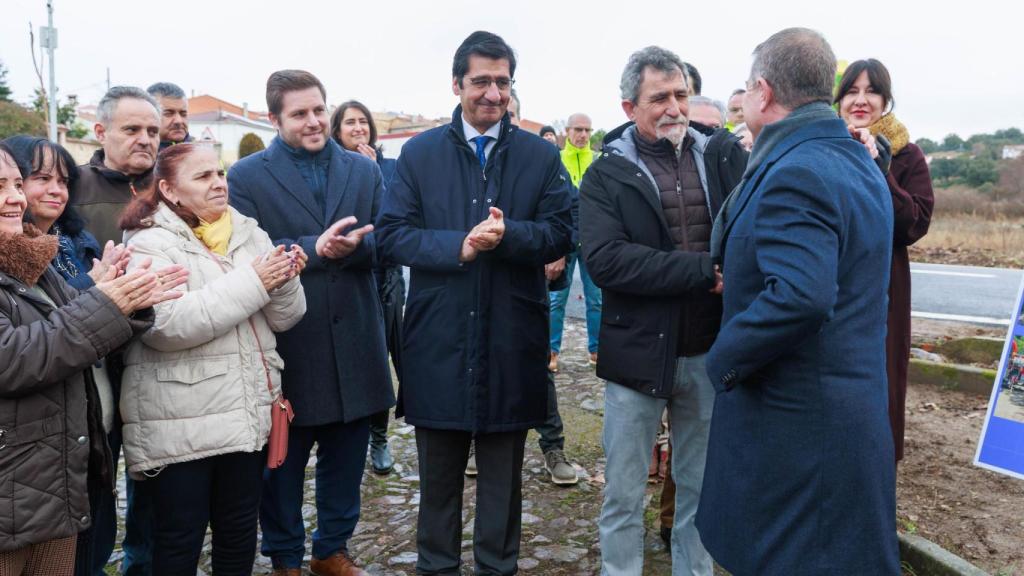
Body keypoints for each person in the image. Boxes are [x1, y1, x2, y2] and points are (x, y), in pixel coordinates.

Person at [698, 28, 900, 575]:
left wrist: (723, 359)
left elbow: (802, 296)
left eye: (746, 89)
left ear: (763, 91)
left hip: (797, 435)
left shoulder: (798, 171)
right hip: (841, 424)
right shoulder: (854, 159)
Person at [375, 30, 573, 575]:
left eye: (502, 82)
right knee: (438, 486)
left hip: (512, 340)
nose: (493, 93)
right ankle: (436, 567)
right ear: (457, 83)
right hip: (439, 340)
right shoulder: (418, 153)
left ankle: (497, 567)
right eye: (481, 81)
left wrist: (510, 237)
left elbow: (562, 231)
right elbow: (392, 236)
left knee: (503, 487)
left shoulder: (539, 154)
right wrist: (456, 246)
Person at [579, 45, 745, 576]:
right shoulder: (606, 174)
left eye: (681, 94)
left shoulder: (721, 155)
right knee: (625, 494)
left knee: (700, 491)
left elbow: (748, 228)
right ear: (630, 107)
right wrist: (703, 271)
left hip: (707, 351)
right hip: (636, 357)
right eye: (660, 98)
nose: (674, 107)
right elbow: (607, 261)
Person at [229, 69, 394, 576]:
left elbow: (387, 240)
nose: (314, 121)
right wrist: (313, 250)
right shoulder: (248, 176)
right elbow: (246, 254)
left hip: (357, 338)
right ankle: (285, 558)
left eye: (319, 109)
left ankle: (331, 550)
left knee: (346, 457)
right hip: (290, 341)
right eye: (299, 113)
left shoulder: (364, 171)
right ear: (274, 118)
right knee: (282, 461)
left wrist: (357, 246)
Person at [119, 143, 306, 574]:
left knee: (239, 533)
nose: (218, 183)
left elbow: (286, 319)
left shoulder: (249, 232)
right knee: (179, 539)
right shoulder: (149, 243)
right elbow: (166, 326)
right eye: (203, 176)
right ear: (169, 190)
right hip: (181, 420)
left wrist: (284, 281)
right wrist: (255, 280)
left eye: (219, 173)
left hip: (244, 412)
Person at [0, 143, 180, 576]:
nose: (15, 198)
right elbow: (14, 358)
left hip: (53, 477)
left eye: (16, 184)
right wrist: (107, 304)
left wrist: (130, 302)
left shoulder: (31, 255)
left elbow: (73, 325)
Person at [71, 85, 163, 576]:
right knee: (97, 484)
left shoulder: (170, 186)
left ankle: (141, 564)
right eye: (132, 129)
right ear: (101, 131)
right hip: (95, 368)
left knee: (152, 481)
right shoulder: (72, 191)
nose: (145, 139)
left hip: (158, 362)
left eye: (153, 129)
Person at [836, 58, 934, 464]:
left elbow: (913, 223)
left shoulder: (907, 155)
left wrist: (880, 168)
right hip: (830, 285)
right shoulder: (822, 146)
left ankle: (875, 487)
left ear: (885, 100)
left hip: (883, 289)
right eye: (852, 91)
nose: (861, 100)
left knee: (881, 386)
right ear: (837, 99)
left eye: (871, 91)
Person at [504, 93, 580, 487]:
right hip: (477, 292)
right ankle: (473, 444)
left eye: (512, 113)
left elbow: (567, 215)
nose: (505, 118)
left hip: (528, 287)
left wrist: (559, 254)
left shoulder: (540, 158)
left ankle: (553, 447)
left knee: (537, 370)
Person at [329, 99, 404, 476]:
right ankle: (348, 436)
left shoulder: (388, 165)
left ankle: (379, 436)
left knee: (382, 358)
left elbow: (396, 217)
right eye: (349, 123)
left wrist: (373, 170)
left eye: (363, 122)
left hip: (385, 276)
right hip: (345, 275)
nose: (357, 128)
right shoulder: (328, 169)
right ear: (337, 131)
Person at [549, 112, 602, 374]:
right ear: (567, 131)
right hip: (565, 240)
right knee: (557, 299)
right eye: (578, 129)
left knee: (596, 299)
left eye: (587, 130)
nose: (582, 135)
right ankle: (552, 351)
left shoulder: (599, 161)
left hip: (593, 240)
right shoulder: (555, 160)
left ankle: (596, 350)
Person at [146, 82, 191, 150]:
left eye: (183, 114)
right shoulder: (136, 157)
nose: (178, 121)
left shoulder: (200, 156)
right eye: (168, 113)